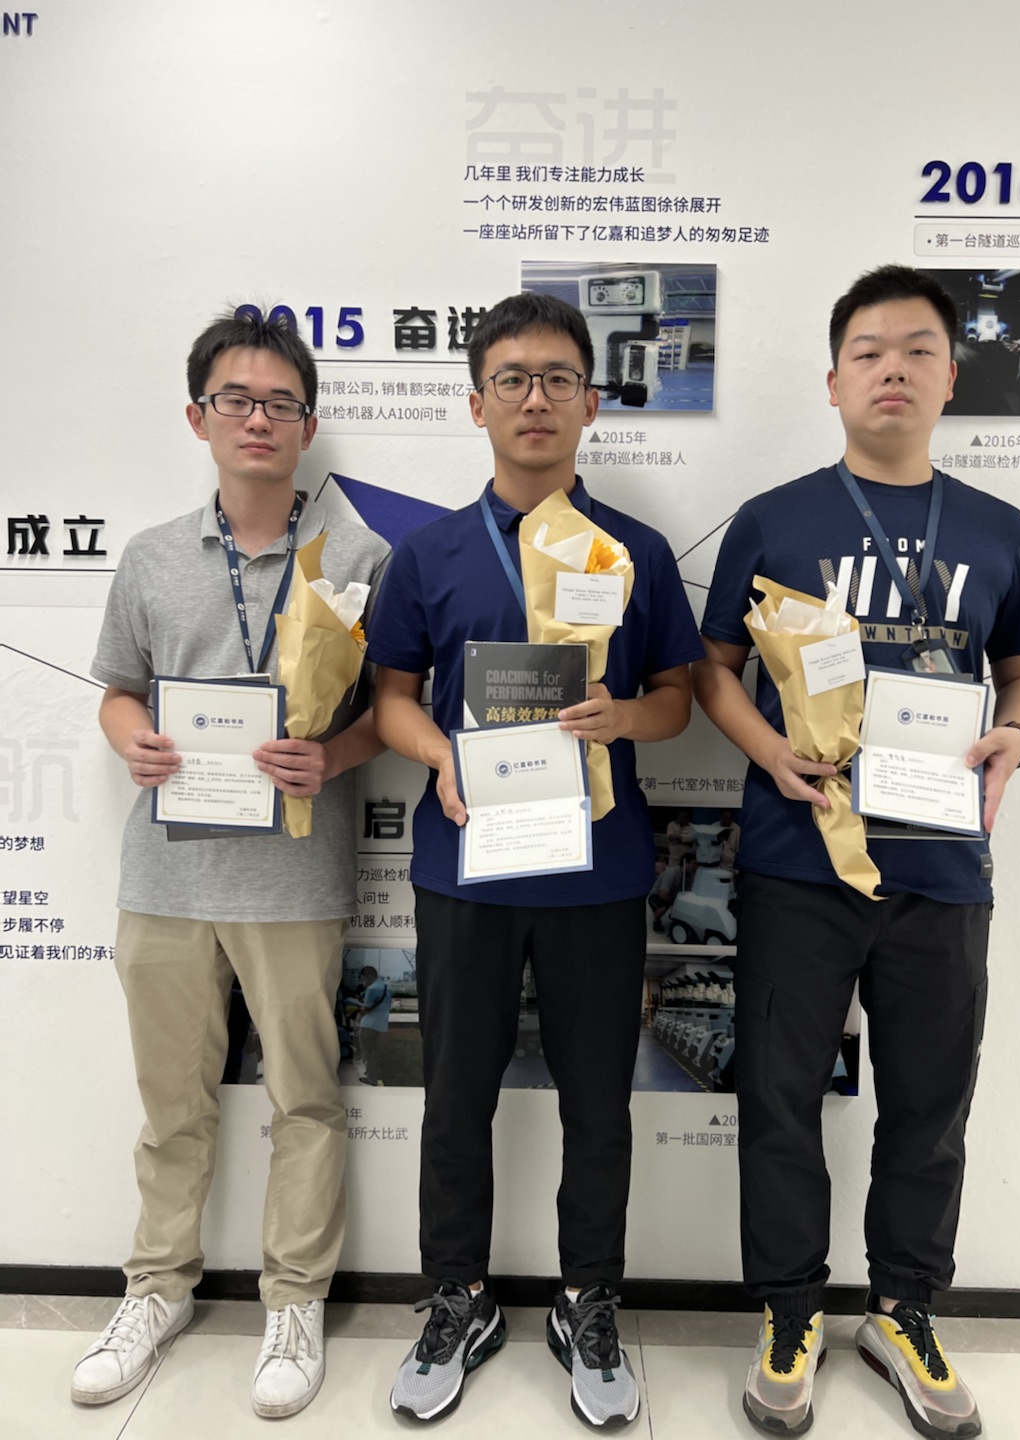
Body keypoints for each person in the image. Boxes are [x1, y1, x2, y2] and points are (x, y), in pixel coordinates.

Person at [693, 265, 1020, 1439]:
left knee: (930, 1106)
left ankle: (904, 1308)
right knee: (778, 1099)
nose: (892, 369)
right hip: (799, 864)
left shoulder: (1000, 530)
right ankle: (790, 1308)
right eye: (868, 352)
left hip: (942, 868)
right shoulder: (773, 520)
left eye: (917, 351)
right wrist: (771, 754)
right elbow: (713, 672)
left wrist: (1017, 737)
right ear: (834, 379)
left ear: (951, 378)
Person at [368, 292, 702, 1429]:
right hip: (466, 862)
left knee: (598, 1100)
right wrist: (440, 757)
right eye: (511, 379)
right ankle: (456, 1297)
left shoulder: (634, 552)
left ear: (591, 402)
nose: (535, 399)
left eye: (559, 378)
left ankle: (586, 1298)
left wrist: (624, 717)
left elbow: (675, 698)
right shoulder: (427, 554)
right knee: (455, 1095)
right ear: (477, 404)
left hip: (598, 872)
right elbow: (392, 697)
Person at [73, 310, 390, 1419]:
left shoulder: (357, 557)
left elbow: (392, 712)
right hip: (165, 877)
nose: (259, 419)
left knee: (306, 1101)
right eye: (237, 401)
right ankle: (156, 1289)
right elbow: (117, 689)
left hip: (294, 881)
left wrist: (332, 754)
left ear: (308, 423)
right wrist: (133, 742)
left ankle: (294, 1302)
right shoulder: (152, 556)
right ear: (198, 415)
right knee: (172, 1107)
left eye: (280, 403)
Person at [357, 963, 392, 1085]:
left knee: (368, 1052)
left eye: (363, 979)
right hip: (380, 1024)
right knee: (374, 1051)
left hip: (368, 1025)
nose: (363, 983)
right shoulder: (386, 986)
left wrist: (359, 1008)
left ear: (369, 976)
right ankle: (373, 1073)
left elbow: (366, 1009)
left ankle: (371, 1078)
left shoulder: (371, 989)